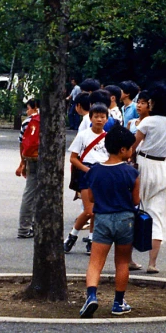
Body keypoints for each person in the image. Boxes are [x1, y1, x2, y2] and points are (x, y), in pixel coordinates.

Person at [78, 126, 140, 318]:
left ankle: (91, 296)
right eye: (130, 148)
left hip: (102, 218)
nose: (132, 151)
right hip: (125, 218)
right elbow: (136, 201)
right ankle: (118, 302)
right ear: (123, 150)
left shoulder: (94, 172)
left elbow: (91, 197)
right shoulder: (132, 173)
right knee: (122, 262)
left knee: (95, 262)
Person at [132, 84, 166, 273]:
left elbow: (134, 145)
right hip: (163, 167)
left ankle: (129, 257)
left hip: (143, 164)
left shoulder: (148, 122)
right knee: (158, 214)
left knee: (135, 209)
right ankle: (152, 263)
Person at [64, 104, 110, 256]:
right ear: (90, 118)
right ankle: (72, 235)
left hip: (102, 174)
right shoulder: (83, 135)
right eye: (96, 116)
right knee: (89, 210)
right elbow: (73, 158)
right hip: (86, 173)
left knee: (97, 210)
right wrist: (87, 170)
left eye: (102, 117)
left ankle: (91, 239)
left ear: (106, 119)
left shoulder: (108, 137)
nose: (99, 120)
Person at [16, 99, 40, 238]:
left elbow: (22, 144)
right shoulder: (52, 120)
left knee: (30, 193)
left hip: (32, 160)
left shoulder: (27, 122)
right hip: (47, 161)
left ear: (35, 107)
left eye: (28, 108)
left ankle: (24, 228)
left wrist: (22, 163)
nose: (27, 111)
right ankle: (38, 224)